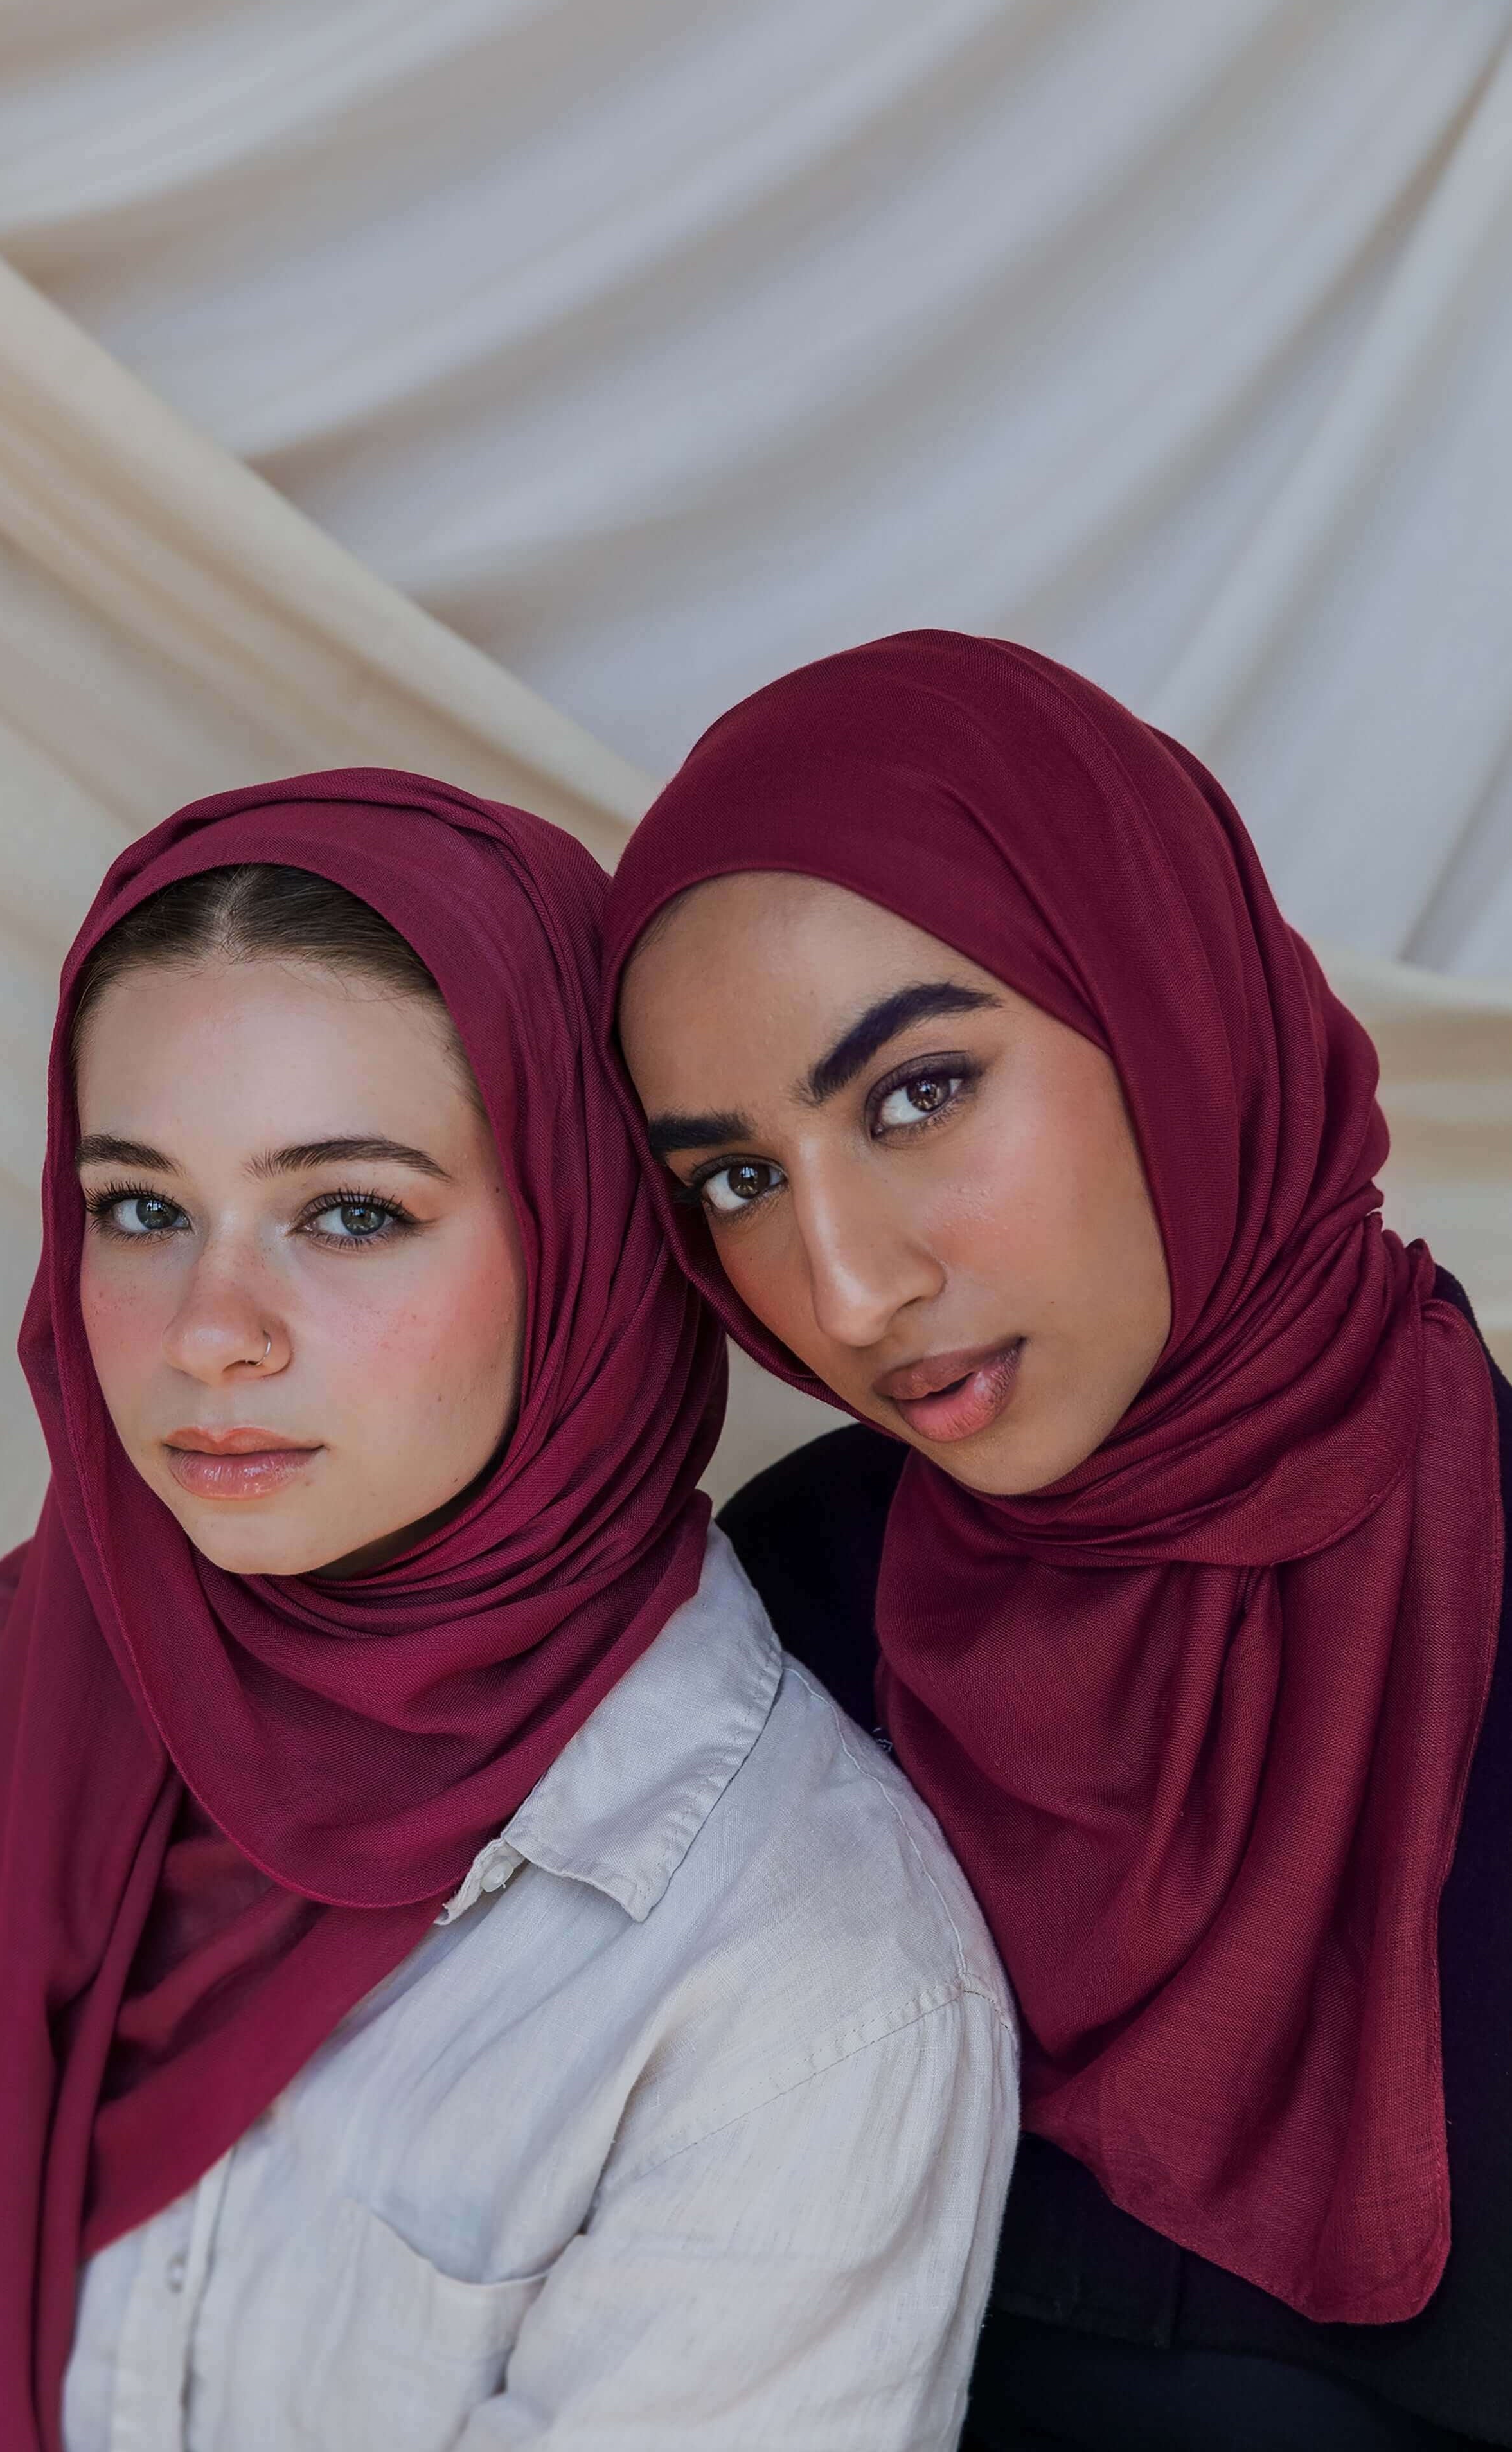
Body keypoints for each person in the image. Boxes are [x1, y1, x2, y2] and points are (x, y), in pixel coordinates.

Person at [0, 768, 1017, 2452]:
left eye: (350, 1214)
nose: (212, 1329)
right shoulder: (37, 1674)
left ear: (588, 1241)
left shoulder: (801, 1979)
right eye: (142, 1209)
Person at [602, 634, 1511, 2452]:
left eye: (918, 1094)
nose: (849, 1289)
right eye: (737, 1180)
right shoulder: (781, 1625)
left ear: (1167, 1001)